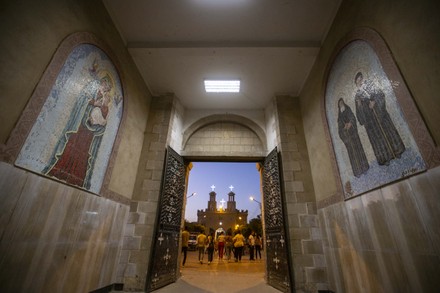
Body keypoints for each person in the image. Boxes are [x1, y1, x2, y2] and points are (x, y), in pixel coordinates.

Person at [43, 70, 115, 189]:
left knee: (84, 151)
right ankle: (59, 169)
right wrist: (93, 103)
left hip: (90, 131)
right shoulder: (92, 88)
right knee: (71, 144)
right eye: (105, 85)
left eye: (107, 88)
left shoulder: (105, 98)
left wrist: (103, 107)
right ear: (102, 83)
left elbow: (104, 115)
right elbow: (83, 98)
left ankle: (78, 178)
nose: (105, 89)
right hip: (80, 126)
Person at [354, 72, 405, 166]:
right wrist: (361, 106)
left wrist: (374, 102)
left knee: (388, 131)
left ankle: (397, 151)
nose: (360, 82)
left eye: (361, 79)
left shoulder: (371, 85)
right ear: (356, 84)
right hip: (372, 122)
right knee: (378, 139)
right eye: (358, 81)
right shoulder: (357, 97)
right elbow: (359, 115)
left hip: (381, 114)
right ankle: (385, 158)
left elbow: (380, 94)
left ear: (363, 79)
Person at [337, 97, 369, 177]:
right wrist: (344, 128)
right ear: (339, 106)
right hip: (348, 139)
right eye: (340, 104)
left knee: (359, 150)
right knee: (352, 155)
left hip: (353, 135)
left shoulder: (348, 110)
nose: (341, 105)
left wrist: (350, 123)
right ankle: (357, 172)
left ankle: (364, 168)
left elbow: (353, 118)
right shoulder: (339, 117)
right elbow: (340, 129)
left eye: (342, 103)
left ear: (344, 103)